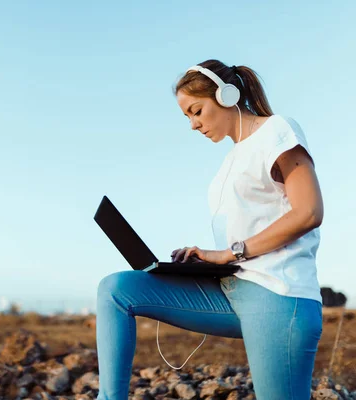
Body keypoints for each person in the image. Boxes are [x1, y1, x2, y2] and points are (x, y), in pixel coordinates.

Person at [95, 59, 324, 400]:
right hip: (229, 290)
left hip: (278, 293)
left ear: (227, 95)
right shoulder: (228, 163)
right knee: (116, 289)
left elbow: (309, 212)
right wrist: (202, 261)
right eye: (187, 116)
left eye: (196, 110)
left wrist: (229, 253)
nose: (192, 124)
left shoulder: (277, 131)